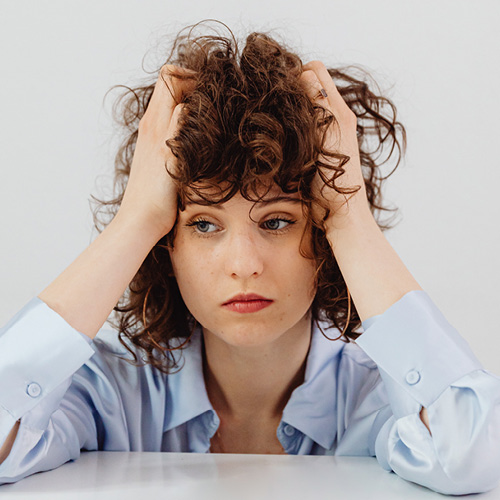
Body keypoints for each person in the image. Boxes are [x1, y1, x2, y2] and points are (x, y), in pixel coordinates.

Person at [0, 20, 499, 494]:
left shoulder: (377, 400)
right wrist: (136, 223)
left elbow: (471, 453)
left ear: (322, 238)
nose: (243, 263)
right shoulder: (113, 394)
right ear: (167, 245)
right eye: (203, 224)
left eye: (277, 221)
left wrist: (349, 214)